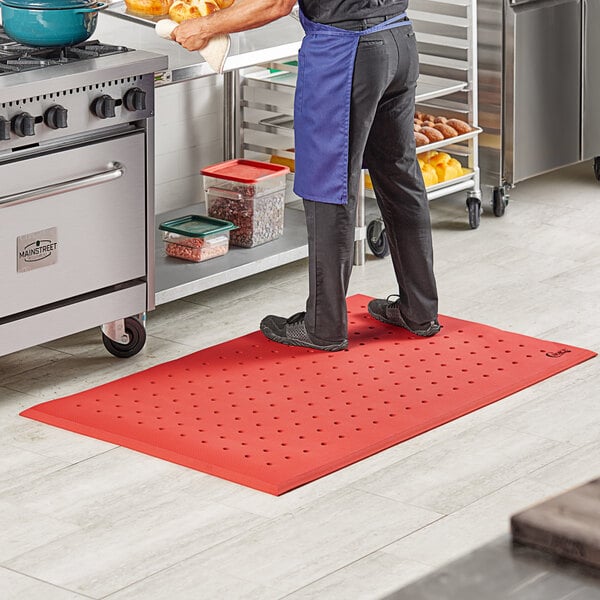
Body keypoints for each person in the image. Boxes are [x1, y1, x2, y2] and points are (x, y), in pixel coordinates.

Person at [172, 0, 440, 352]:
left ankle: (323, 328)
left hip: (345, 52)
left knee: (328, 184)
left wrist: (204, 27)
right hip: (398, 38)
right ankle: (420, 312)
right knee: (399, 176)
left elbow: (275, 4)